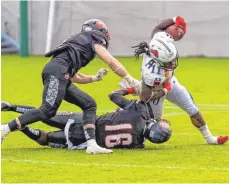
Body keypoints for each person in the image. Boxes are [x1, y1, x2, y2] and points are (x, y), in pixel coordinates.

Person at [1, 19, 140, 154]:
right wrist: (129, 78)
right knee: (47, 110)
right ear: (96, 31)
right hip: (57, 72)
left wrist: (94, 78)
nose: (105, 35)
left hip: (60, 73)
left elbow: (73, 76)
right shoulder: (93, 38)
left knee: (89, 104)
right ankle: (5, 129)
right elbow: (110, 60)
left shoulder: (78, 41)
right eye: (103, 31)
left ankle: (91, 144)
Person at [121, 16, 228, 145]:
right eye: (169, 61)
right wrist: (165, 90)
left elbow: (159, 27)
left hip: (170, 82)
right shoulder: (151, 74)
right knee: (151, 120)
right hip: (156, 89)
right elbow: (145, 97)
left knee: (192, 108)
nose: (172, 63)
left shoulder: (160, 38)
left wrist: (174, 19)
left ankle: (209, 138)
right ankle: (132, 137)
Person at [1, 89, 172, 150]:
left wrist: (128, 89)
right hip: (82, 140)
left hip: (86, 122)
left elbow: (113, 95)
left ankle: (11, 107)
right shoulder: (137, 144)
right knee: (44, 139)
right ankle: (22, 128)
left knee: (44, 113)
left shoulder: (139, 112)